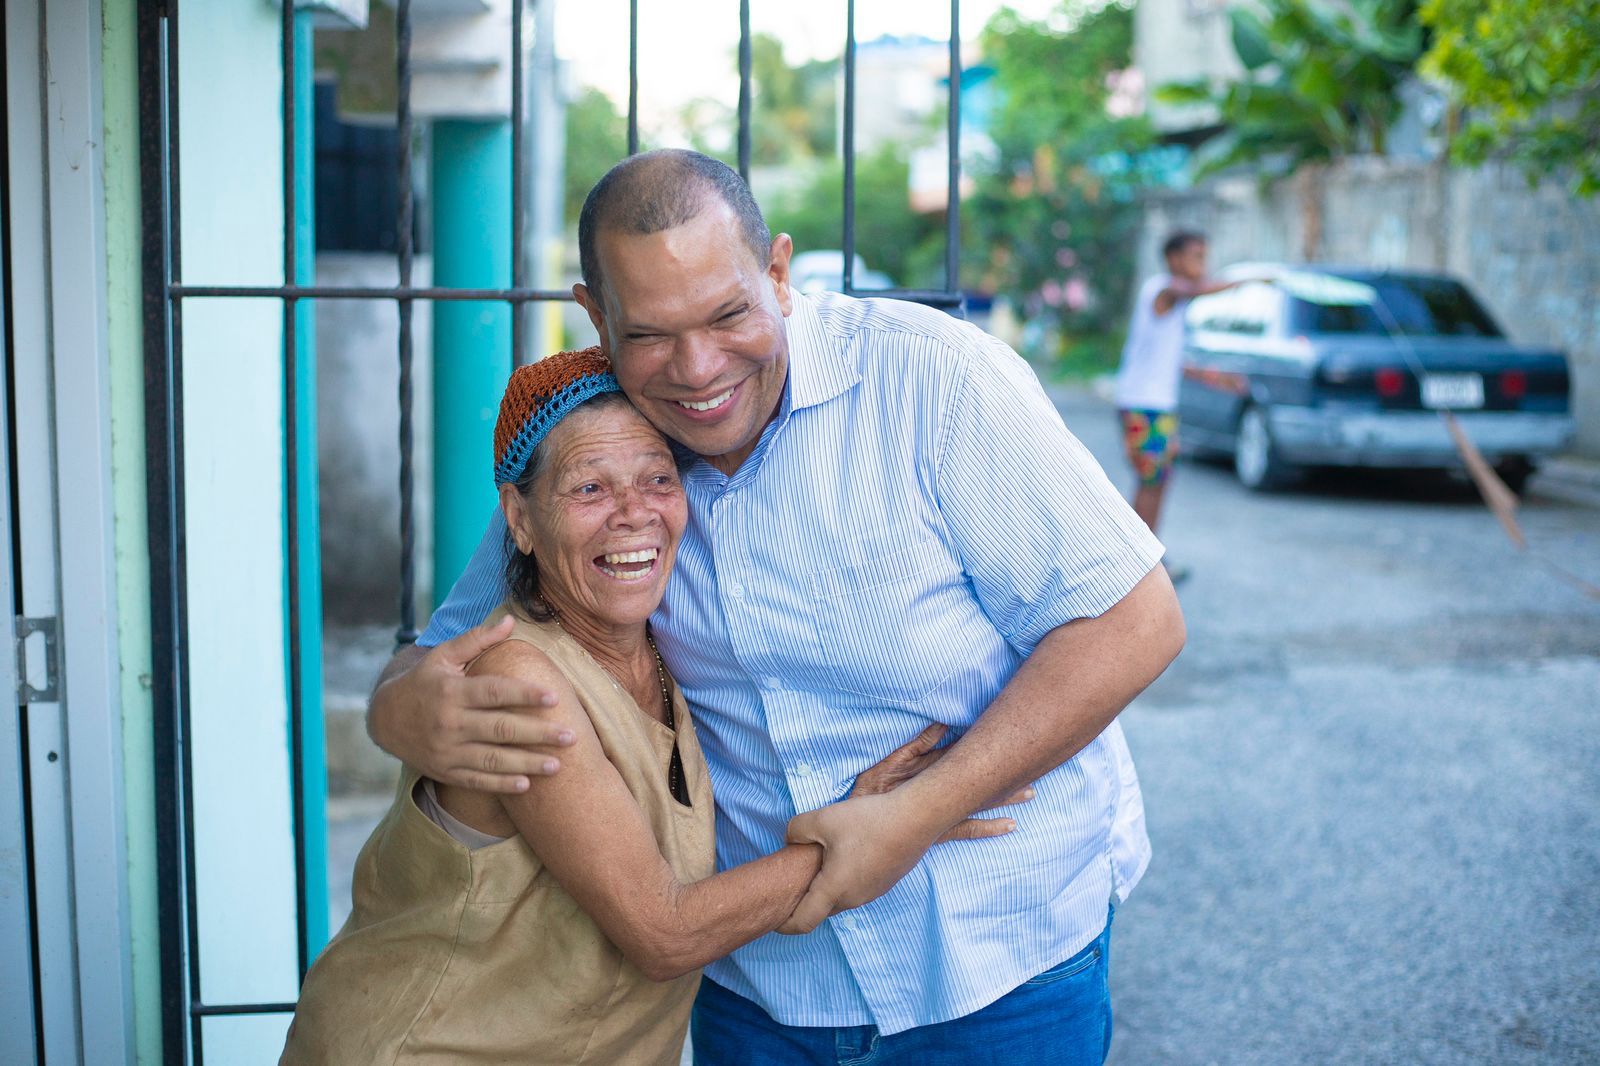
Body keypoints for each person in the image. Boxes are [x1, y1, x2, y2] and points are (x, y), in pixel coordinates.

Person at [368, 150, 1186, 1064]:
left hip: (997, 956)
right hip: (762, 989)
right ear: (597, 318)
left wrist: (917, 813)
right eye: (648, 335)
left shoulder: (934, 381)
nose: (697, 368)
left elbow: (1136, 618)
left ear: (779, 272)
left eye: (728, 314)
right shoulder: (611, 453)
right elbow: (443, 651)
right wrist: (398, 707)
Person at [281, 349, 1023, 1065]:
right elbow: (662, 931)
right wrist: (899, 822)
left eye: (658, 478)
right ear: (519, 518)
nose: (634, 514)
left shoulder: (668, 651)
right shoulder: (519, 681)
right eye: (589, 489)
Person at [1113, 230, 1250, 559]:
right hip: (1143, 406)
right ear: (1174, 258)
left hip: (1157, 407)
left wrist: (1215, 377)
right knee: (1151, 482)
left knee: (1157, 483)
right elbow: (1197, 289)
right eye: (1197, 257)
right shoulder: (1163, 289)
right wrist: (1252, 279)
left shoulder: (1174, 302)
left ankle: (1146, 557)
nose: (1203, 265)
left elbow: (1169, 360)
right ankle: (1138, 562)